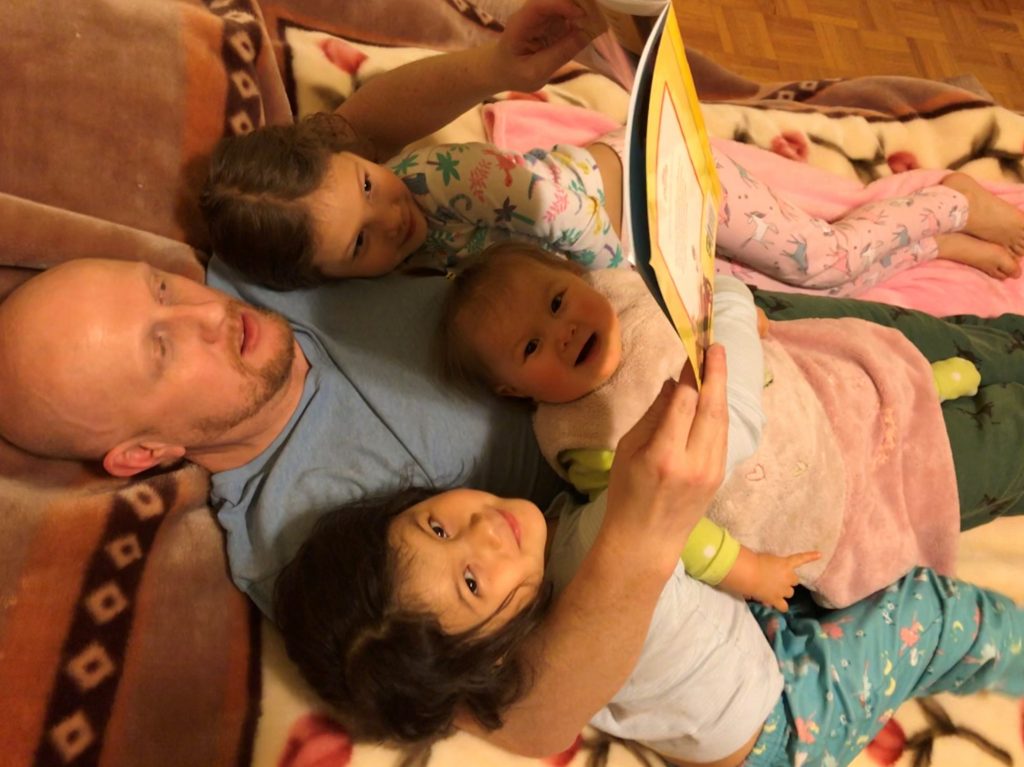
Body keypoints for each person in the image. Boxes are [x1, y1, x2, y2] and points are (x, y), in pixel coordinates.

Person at [199, 8, 1024, 293]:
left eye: (371, 184)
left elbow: (575, 245)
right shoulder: (373, 260)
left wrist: (497, 67)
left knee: (823, 265)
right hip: (657, 238)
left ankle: (954, 197)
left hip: (672, 192)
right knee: (771, 284)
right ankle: (928, 238)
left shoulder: (457, 182)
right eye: (357, 242)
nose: (392, 214)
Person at [273, 457, 1024, 766]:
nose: (477, 531)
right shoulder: (585, 583)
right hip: (788, 720)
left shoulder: (545, 574)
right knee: (927, 607)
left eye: (433, 526)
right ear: (491, 655)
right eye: (472, 583)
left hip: (748, 645)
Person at [437, 241, 1024, 609]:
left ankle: (941, 379)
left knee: (901, 373)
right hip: (814, 491)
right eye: (532, 344)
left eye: (559, 301)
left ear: (575, 275)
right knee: (974, 453)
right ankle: (958, 404)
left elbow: (700, 302)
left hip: (813, 389)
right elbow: (664, 523)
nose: (562, 331)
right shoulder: (584, 438)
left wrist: (742, 322)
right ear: (513, 390)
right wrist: (744, 570)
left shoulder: (624, 288)